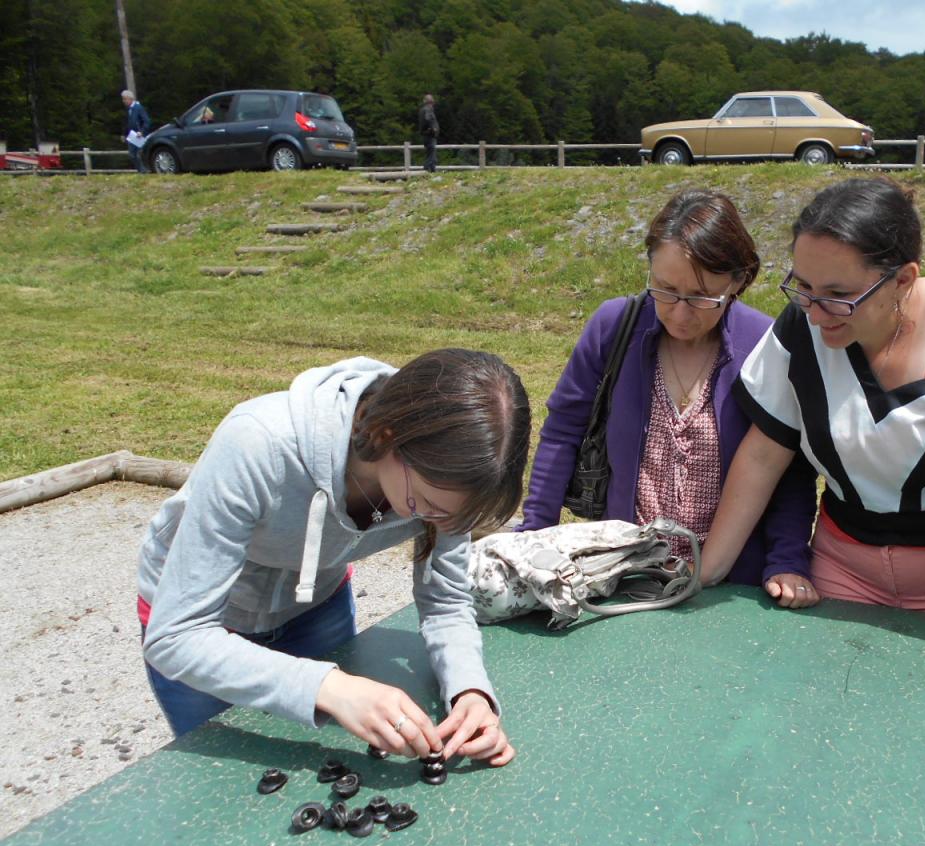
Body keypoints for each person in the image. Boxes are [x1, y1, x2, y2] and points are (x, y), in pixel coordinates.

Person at [701, 178, 925, 701]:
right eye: (803, 287)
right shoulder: (808, 318)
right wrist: (707, 573)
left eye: (840, 296)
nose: (815, 313)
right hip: (843, 567)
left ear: (903, 280)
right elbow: (763, 452)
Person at [138, 350, 531, 766]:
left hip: (316, 608)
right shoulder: (257, 443)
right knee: (217, 782)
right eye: (426, 505)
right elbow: (176, 637)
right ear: (384, 437)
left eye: (456, 516)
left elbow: (447, 600)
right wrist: (331, 687)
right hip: (207, 625)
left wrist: (469, 690)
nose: (441, 523)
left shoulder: (446, 476)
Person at [517, 189, 817, 604]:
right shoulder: (613, 327)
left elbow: (788, 469)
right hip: (622, 574)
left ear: (737, 281)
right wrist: (535, 533)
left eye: (700, 296)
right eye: (664, 289)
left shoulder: (765, 346)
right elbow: (563, 432)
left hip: (734, 588)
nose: (679, 313)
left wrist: (786, 560)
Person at [121, 89, 150, 173]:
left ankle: (143, 171)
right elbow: (127, 123)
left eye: (124, 99)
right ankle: (140, 170)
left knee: (138, 154)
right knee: (132, 155)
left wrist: (142, 131)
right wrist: (124, 134)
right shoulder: (128, 109)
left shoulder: (138, 108)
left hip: (139, 135)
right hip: (131, 135)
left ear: (129, 99)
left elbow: (147, 121)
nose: (123, 101)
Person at [418, 94, 439, 173]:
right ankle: (425, 170)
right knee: (431, 155)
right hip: (430, 135)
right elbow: (428, 119)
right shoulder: (428, 109)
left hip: (425, 135)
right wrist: (433, 129)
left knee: (430, 154)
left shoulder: (422, 109)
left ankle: (433, 172)